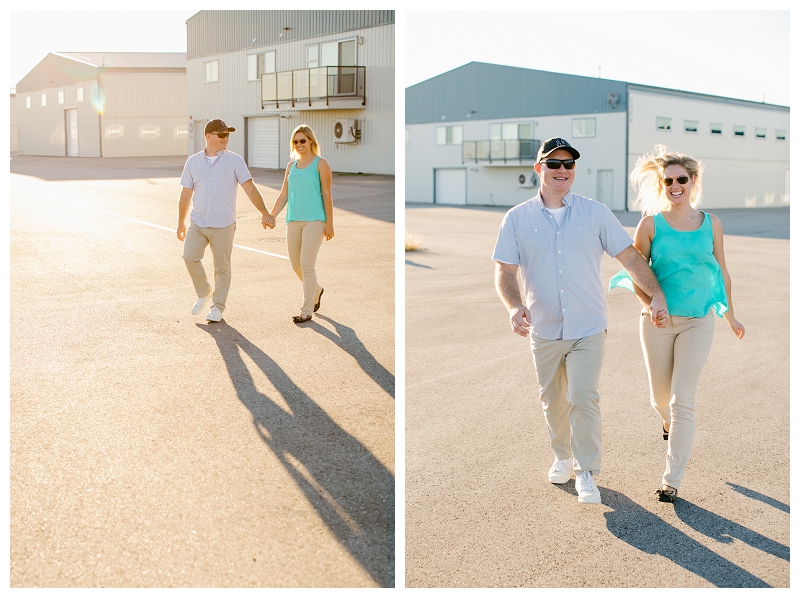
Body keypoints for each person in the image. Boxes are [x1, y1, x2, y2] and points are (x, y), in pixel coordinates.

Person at [492, 137, 668, 504]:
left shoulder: (595, 213)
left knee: (583, 397)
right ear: (539, 169)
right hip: (543, 327)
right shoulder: (517, 218)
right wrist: (513, 305)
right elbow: (505, 270)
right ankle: (562, 454)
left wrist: (656, 296)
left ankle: (586, 471)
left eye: (569, 164)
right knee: (552, 401)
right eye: (553, 164)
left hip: (588, 325)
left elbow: (631, 259)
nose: (562, 171)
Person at [610, 144, 745, 503]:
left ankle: (672, 479)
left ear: (693, 180)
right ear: (661, 184)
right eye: (668, 180)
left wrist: (729, 314)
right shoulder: (650, 224)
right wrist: (651, 304)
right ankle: (667, 425)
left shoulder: (711, 223)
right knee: (660, 400)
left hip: (698, 322)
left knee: (682, 398)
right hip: (657, 323)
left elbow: (721, 270)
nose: (675, 185)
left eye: (681, 179)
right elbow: (637, 272)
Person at [177, 118, 275, 322]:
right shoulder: (193, 162)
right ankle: (204, 291)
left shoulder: (235, 161)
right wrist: (180, 222)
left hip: (224, 224)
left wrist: (264, 212)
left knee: (222, 268)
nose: (226, 138)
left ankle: (217, 307)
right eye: (222, 135)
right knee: (189, 257)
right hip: (199, 222)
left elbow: (249, 187)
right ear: (208, 136)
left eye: (228, 135)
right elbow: (186, 194)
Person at [268, 124, 334, 323]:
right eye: (295, 142)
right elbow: (284, 195)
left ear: (311, 141)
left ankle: (306, 310)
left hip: (315, 220)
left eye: (302, 141)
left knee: (307, 264)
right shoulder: (291, 167)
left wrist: (330, 223)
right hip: (294, 220)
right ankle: (317, 290)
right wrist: (271, 215)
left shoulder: (320, 164)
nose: (299, 145)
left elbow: (327, 194)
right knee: (296, 265)